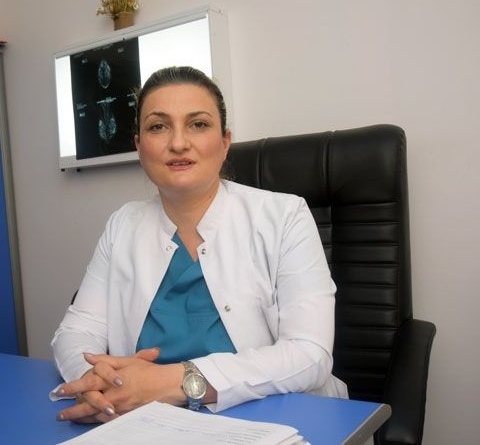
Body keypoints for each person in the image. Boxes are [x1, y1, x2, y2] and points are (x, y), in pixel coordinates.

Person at [51, 66, 348, 424]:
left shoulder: (285, 217)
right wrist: (93, 382)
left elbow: (310, 355)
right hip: (145, 423)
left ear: (225, 143)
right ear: (139, 146)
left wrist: (174, 382)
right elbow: (76, 331)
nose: (178, 143)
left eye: (198, 124)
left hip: (274, 420)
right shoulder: (123, 225)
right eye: (158, 127)